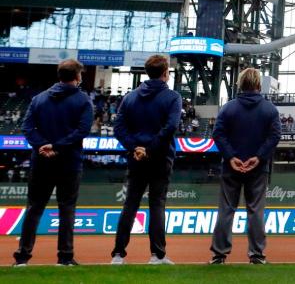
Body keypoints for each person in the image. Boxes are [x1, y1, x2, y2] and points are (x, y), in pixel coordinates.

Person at [13, 59, 93, 267]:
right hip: (69, 162)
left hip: (41, 161)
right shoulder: (83, 100)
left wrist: (43, 146)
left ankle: (22, 257)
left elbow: (27, 128)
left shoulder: (39, 99)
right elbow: (82, 131)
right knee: (66, 209)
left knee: (34, 208)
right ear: (77, 77)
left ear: (60, 75)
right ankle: (65, 257)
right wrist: (57, 146)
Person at [110, 55, 183, 265]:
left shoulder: (130, 97)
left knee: (130, 204)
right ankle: (157, 256)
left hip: (136, 158)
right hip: (160, 157)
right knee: (157, 205)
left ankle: (117, 254)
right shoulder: (172, 97)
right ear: (165, 73)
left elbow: (118, 128)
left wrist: (136, 148)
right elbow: (170, 127)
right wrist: (148, 149)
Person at [210, 68, 281, 265]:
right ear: (258, 85)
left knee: (226, 209)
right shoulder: (269, 109)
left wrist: (231, 157)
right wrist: (258, 158)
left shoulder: (228, 108)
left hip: (231, 167)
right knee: (255, 211)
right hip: (258, 169)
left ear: (240, 85)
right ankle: (257, 255)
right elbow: (274, 136)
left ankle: (219, 255)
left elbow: (218, 134)